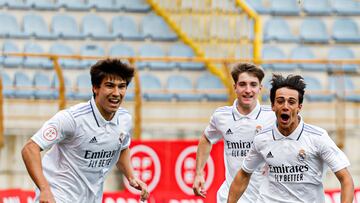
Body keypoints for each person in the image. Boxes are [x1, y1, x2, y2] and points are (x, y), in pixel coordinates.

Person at [21, 58, 149, 203]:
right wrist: (45, 189)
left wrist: (131, 177)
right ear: (95, 88)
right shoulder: (72, 119)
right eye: (109, 86)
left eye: (122, 86)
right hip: (58, 196)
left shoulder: (124, 119)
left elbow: (122, 148)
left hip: (91, 198)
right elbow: (30, 148)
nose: (116, 93)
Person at [228, 74, 354, 203]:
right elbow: (243, 174)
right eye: (280, 101)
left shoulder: (318, 137)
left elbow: (346, 180)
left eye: (291, 102)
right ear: (273, 105)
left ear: (299, 107)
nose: (285, 106)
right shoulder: (262, 139)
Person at [192, 63, 276, 202]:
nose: (248, 90)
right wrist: (199, 173)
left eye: (253, 85)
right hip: (230, 196)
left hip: (263, 197)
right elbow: (206, 138)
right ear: (235, 87)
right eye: (242, 84)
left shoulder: (272, 116)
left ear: (260, 88)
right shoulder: (222, 116)